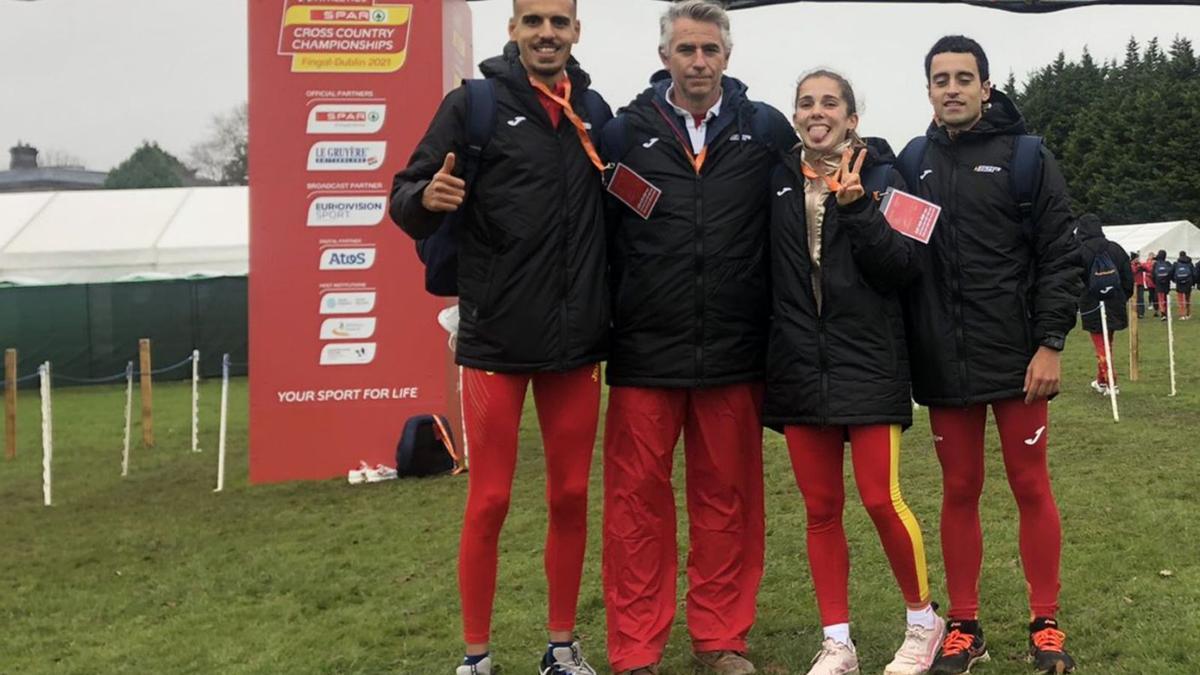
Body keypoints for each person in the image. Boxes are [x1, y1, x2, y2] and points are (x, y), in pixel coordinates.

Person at [389, 1, 611, 673]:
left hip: (576, 345)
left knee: (570, 496)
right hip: (496, 342)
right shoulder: (473, 106)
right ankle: (477, 657)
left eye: (560, 22)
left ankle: (562, 647)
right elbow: (404, 195)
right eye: (534, 20)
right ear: (513, 29)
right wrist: (426, 199)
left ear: (576, 32)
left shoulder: (596, 114)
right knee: (489, 499)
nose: (548, 33)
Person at [597, 2, 796, 673]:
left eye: (710, 49)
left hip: (734, 351)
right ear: (665, 58)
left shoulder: (764, 128)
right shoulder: (625, 132)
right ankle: (635, 646)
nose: (699, 62)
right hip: (644, 351)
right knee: (635, 508)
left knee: (727, 503)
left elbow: (822, 168)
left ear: (728, 56)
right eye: (686, 49)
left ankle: (721, 637)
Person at [896, 35, 1083, 675]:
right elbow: (895, 259)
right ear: (928, 89)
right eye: (940, 79)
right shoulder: (912, 160)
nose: (952, 88)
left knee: (1031, 486)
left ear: (986, 85)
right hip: (944, 363)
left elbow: (1061, 253)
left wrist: (1051, 343)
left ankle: (1045, 622)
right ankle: (965, 627)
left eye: (963, 78)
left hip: (1018, 361)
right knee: (959, 490)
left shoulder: (1027, 156)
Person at [765, 69, 943, 675]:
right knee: (820, 510)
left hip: (868, 363)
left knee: (880, 499)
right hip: (797, 368)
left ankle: (924, 621)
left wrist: (858, 207)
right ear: (795, 117)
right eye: (806, 103)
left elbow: (905, 269)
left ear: (851, 117)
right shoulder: (777, 181)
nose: (818, 112)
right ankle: (837, 641)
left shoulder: (889, 177)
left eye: (830, 102)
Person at [1076, 214, 1133, 394]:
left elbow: (1074, 280)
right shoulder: (1116, 249)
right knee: (1107, 342)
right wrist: (1123, 297)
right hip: (1114, 302)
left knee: (1101, 345)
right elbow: (1128, 278)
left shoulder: (1079, 251)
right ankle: (1101, 380)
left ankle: (1111, 382)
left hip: (1092, 303)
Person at [1152, 249, 1174, 320]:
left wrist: (1155, 282)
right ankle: (1166, 312)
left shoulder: (1156, 264)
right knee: (1166, 298)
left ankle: (1163, 313)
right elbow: (1171, 273)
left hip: (1159, 285)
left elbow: (1153, 275)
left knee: (1161, 299)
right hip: (1166, 284)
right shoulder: (1167, 263)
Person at [1173, 250, 1194, 319]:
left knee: (1180, 300)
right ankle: (1188, 314)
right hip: (1188, 283)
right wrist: (1192, 282)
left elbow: (1172, 273)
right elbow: (1194, 273)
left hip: (1179, 284)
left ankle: (1182, 315)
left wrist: (1175, 280)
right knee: (1188, 299)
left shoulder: (1176, 264)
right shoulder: (1190, 264)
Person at [1130, 251, 1148, 319]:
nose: (1138, 259)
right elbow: (1133, 271)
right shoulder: (1131, 265)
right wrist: (1137, 266)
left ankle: (1141, 313)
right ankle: (1135, 312)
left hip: (1140, 284)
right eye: (1137, 258)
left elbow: (1147, 269)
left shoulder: (1139, 264)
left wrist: (1141, 265)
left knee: (1141, 299)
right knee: (1134, 299)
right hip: (1134, 284)